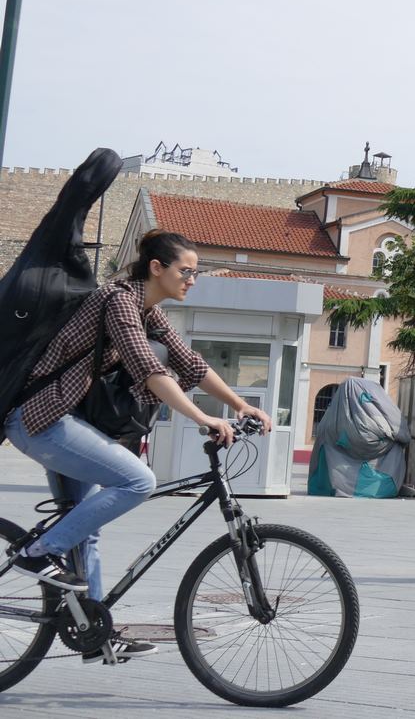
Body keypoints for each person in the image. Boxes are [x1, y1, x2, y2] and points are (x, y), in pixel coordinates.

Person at [5, 230, 273, 661]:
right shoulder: (119, 300)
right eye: (186, 271)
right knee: (138, 481)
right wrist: (203, 417)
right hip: (42, 418)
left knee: (85, 529)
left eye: (196, 273)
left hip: (68, 420)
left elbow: (189, 363)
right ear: (156, 268)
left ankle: (92, 635)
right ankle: (38, 553)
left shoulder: (149, 310)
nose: (192, 280)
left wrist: (240, 405)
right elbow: (149, 368)